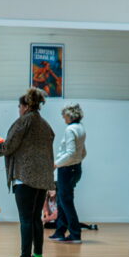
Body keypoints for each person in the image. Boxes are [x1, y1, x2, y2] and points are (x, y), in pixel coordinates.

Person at [0, 88, 56, 257]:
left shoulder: (22, 122)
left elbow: (8, 146)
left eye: (19, 106)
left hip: (25, 177)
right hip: (42, 178)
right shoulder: (45, 124)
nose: (18, 109)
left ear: (25, 106)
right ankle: (38, 256)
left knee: (25, 219)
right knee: (35, 219)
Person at [50, 103, 87, 244]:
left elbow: (71, 153)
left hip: (66, 170)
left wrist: (56, 164)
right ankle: (60, 231)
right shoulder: (81, 128)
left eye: (64, 115)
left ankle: (75, 234)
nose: (62, 117)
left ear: (70, 115)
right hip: (75, 169)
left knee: (66, 202)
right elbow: (83, 152)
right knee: (62, 201)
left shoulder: (70, 129)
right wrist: (76, 163)